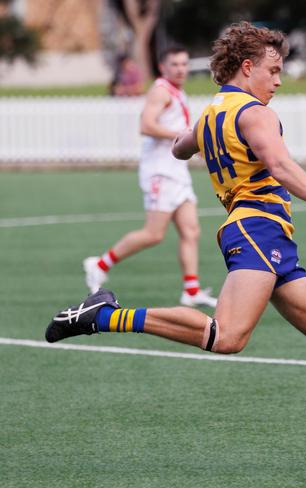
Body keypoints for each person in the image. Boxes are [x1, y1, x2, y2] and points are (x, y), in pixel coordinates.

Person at [47, 22, 306, 471]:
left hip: (266, 237)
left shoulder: (211, 114)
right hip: (258, 230)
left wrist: (208, 138)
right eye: (273, 70)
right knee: (227, 337)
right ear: (247, 66)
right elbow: (279, 163)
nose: (278, 81)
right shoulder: (256, 113)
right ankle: (102, 315)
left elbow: (181, 149)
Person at [85, 45, 217, 307]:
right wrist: (183, 137)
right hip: (160, 172)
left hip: (176, 171)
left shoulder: (177, 91)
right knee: (154, 233)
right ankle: (99, 264)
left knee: (191, 230)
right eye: (175, 64)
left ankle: (191, 291)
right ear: (162, 67)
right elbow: (146, 125)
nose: (181, 69)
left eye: (184, 64)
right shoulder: (160, 91)